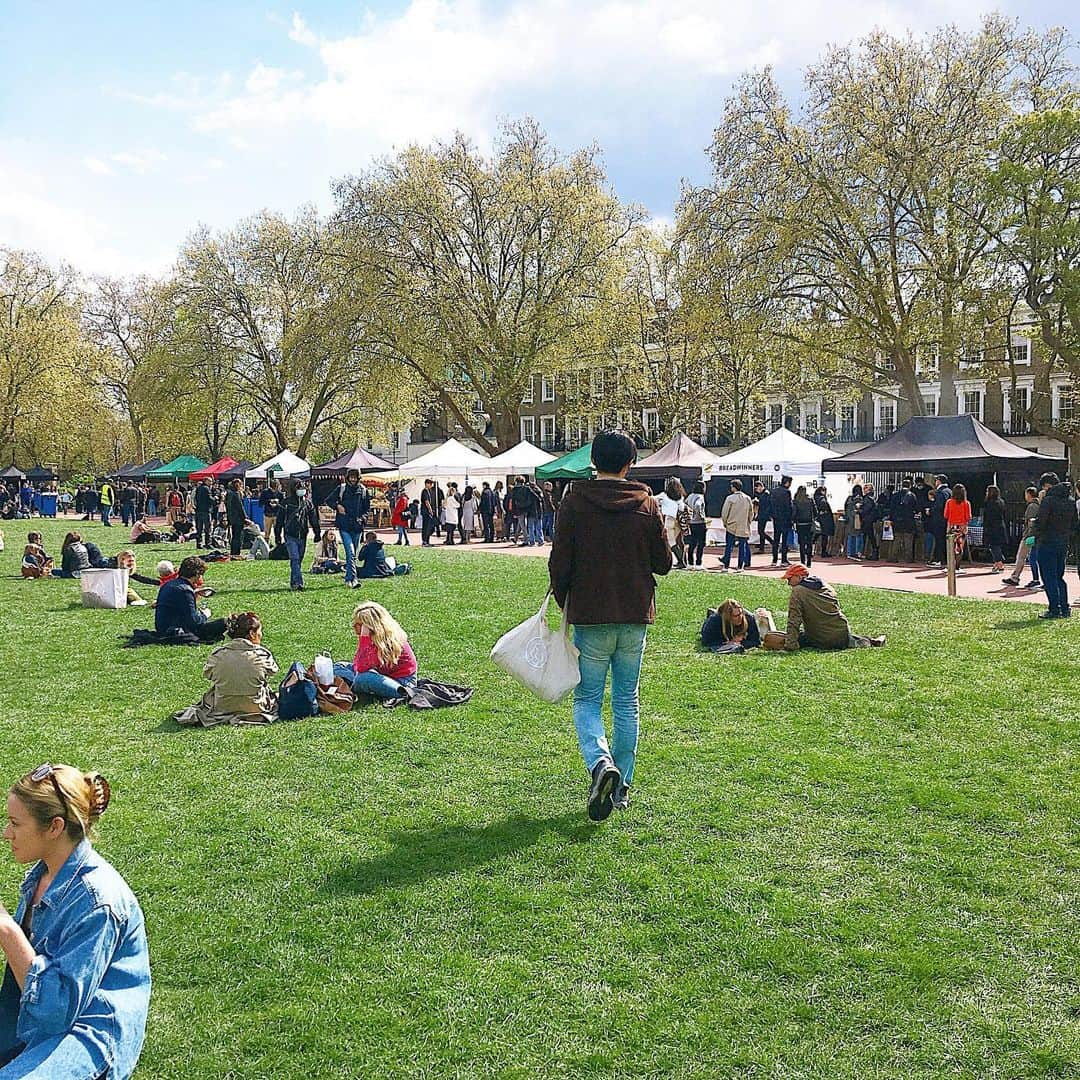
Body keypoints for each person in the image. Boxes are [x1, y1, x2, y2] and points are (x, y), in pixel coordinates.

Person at [548, 431, 673, 822]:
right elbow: (663, 563)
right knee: (626, 701)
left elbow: (559, 563)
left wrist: (565, 601)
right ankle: (621, 786)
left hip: (591, 613)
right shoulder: (646, 504)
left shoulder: (574, 503)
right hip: (634, 614)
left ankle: (601, 763)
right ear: (629, 463)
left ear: (593, 462)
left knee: (587, 699)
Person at [0, 764, 150, 1078]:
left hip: (88, 1033)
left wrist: (6, 930)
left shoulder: (99, 902)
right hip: (33, 1022)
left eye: (15, 823)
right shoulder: (43, 875)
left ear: (54, 827)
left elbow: (57, 1012)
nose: (6, 833)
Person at [174, 612, 279, 727]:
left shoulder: (218, 655)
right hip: (255, 708)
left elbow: (208, 674)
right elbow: (273, 671)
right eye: (259, 631)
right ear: (252, 633)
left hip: (222, 707)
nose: (261, 635)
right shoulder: (262, 655)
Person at [781, 563, 886, 650]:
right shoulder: (827, 587)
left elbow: (794, 620)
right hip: (842, 632)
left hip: (821, 639)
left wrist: (790, 645)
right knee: (836, 633)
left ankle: (867, 641)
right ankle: (870, 641)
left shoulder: (798, 591)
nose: (789, 583)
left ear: (799, 577)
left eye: (790, 579)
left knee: (791, 637)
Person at [333, 601, 418, 700]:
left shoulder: (388, 641)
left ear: (372, 626)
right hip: (381, 675)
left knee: (364, 679)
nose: (354, 627)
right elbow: (357, 665)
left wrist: (364, 639)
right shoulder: (374, 638)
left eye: (359, 624)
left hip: (402, 684)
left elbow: (361, 668)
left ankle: (350, 684)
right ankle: (353, 683)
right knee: (338, 666)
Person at [1031, 471, 1075, 619]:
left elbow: (1041, 523)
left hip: (1047, 541)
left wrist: (1035, 527)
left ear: (1047, 486)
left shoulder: (1048, 500)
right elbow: (1074, 523)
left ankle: (1054, 608)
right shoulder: (1070, 500)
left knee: (1048, 577)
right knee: (1059, 576)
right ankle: (1065, 607)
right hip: (1063, 542)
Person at [155, 556, 226, 641]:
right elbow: (194, 622)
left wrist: (195, 592)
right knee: (224, 623)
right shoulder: (185, 591)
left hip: (163, 628)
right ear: (196, 574)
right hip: (175, 631)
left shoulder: (169, 584)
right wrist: (205, 615)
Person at [329, 470, 370, 586]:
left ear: (358, 478)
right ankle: (354, 579)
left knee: (353, 555)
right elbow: (329, 500)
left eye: (355, 477)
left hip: (357, 526)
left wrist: (362, 519)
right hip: (344, 525)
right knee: (350, 552)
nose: (353, 479)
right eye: (351, 477)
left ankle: (348, 578)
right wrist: (337, 506)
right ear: (347, 478)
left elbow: (367, 508)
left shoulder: (363, 490)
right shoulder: (341, 488)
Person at [281, 483, 321, 592]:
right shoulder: (286, 503)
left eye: (302, 488)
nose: (301, 490)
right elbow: (280, 519)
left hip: (302, 535)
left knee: (298, 561)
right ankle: (298, 583)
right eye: (299, 488)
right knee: (295, 558)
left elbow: (314, 519)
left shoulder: (308, 503)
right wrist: (277, 536)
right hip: (290, 535)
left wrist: (317, 533)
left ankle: (294, 581)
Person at [1003, 486, 1042, 588]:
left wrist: (1028, 536)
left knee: (1022, 556)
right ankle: (1031, 577)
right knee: (1031, 556)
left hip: (1029, 536)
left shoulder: (1032, 506)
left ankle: (1016, 577)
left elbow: (1030, 523)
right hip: (1034, 535)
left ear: (1028, 494)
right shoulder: (1038, 505)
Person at [719, 479, 753, 571]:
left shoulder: (730, 498)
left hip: (731, 525)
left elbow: (725, 512)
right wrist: (748, 522)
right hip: (743, 525)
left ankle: (726, 566)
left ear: (733, 487)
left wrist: (725, 522)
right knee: (742, 546)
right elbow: (751, 513)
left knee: (729, 546)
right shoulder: (747, 498)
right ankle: (740, 566)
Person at [656, 477, 687, 570]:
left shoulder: (664, 495)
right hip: (678, 520)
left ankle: (681, 561)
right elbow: (682, 508)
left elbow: (653, 499)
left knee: (670, 542)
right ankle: (682, 560)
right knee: (677, 541)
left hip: (669, 520)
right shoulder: (680, 496)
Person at [943, 482, 972, 569]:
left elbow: (945, 515)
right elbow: (968, 517)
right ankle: (957, 566)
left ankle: (950, 566)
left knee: (950, 547)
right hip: (962, 527)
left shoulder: (949, 502)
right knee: (959, 548)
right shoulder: (966, 503)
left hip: (951, 526)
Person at [890, 478, 918, 563]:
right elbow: (915, 507)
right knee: (908, 539)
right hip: (908, 520)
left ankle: (893, 557)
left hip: (897, 520)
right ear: (910, 486)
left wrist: (892, 518)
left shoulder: (895, 495)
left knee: (897, 539)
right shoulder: (912, 495)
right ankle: (908, 558)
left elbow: (892, 508)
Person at [982, 485, 1008, 572]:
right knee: (996, 546)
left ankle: (999, 563)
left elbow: (988, 517)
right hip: (1000, 526)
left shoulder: (990, 503)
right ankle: (997, 563)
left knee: (994, 546)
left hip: (992, 528)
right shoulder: (1001, 502)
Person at [928, 474, 952, 567]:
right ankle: (944, 559)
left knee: (939, 539)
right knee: (945, 540)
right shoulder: (949, 491)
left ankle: (939, 560)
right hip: (947, 519)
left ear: (939, 481)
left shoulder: (940, 492)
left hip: (939, 519)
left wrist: (930, 510)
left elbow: (939, 506)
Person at [770, 476, 793, 567]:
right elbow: (789, 507)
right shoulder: (787, 492)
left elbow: (771, 504)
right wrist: (790, 518)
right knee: (784, 540)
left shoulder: (774, 491)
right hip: (785, 519)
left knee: (776, 539)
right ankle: (783, 559)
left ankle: (774, 559)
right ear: (787, 483)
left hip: (776, 519)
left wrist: (773, 515)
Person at [792, 485, 817, 567]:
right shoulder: (810, 500)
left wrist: (794, 520)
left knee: (802, 543)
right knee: (809, 543)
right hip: (809, 523)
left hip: (800, 524)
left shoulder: (796, 501)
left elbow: (794, 513)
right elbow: (815, 512)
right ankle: (809, 561)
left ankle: (803, 561)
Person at [685, 480, 708, 568]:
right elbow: (698, 506)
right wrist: (701, 516)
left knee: (692, 543)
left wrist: (689, 514)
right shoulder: (700, 497)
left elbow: (685, 504)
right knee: (701, 544)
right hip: (699, 522)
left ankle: (690, 563)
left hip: (691, 522)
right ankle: (698, 563)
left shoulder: (690, 496)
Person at [259, 480, 285, 546]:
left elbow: (283, 505)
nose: (276, 487)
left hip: (277, 514)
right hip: (268, 514)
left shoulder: (280, 494)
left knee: (278, 531)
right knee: (267, 532)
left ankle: (278, 545)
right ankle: (266, 545)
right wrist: (269, 501)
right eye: (275, 485)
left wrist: (277, 503)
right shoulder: (265, 492)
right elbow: (261, 503)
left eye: (277, 485)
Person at [225, 478, 246, 559]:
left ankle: (233, 552)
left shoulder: (229, 493)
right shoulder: (236, 494)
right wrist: (245, 517)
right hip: (238, 518)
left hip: (232, 518)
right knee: (238, 536)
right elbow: (240, 507)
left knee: (234, 536)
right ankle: (237, 552)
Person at [859, 483, 879, 560]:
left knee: (867, 536)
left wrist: (859, 510)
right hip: (870, 519)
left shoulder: (868, 498)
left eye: (865, 488)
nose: (864, 490)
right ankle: (874, 551)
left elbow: (867, 509)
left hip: (867, 519)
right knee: (871, 536)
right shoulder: (871, 498)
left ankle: (864, 552)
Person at [844, 484, 864, 559]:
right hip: (856, 519)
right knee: (858, 535)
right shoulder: (859, 499)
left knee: (850, 536)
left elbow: (845, 507)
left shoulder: (849, 498)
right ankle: (857, 552)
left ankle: (849, 552)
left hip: (849, 519)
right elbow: (860, 509)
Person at [813, 486, 835, 558]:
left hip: (818, 519)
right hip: (825, 520)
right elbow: (823, 505)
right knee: (824, 536)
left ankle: (808, 550)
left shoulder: (815, 498)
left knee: (816, 535)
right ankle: (823, 552)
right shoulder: (822, 498)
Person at [194, 478, 213, 547]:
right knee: (207, 528)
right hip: (205, 510)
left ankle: (198, 543)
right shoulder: (206, 488)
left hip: (198, 510)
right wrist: (216, 499)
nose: (211, 483)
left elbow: (195, 498)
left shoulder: (198, 488)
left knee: (199, 528)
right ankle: (208, 543)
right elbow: (209, 499)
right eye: (210, 481)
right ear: (206, 481)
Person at [753, 480, 772, 554]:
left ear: (760, 487)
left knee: (761, 531)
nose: (757, 490)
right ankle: (762, 546)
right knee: (761, 531)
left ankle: (771, 543)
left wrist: (757, 502)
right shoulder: (763, 494)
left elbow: (764, 504)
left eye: (757, 488)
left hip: (764, 515)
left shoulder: (766, 494)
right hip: (762, 514)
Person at [420, 480, 437, 546]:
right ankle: (425, 541)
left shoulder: (429, 491)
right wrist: (430, 510)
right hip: (426, 511)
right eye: (430, 484)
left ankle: (427, 540)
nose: (431, 485)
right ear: (427, 484)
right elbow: (426, 501)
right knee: (426, 526)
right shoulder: (424, 491)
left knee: (430, 527)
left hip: (428, 511)